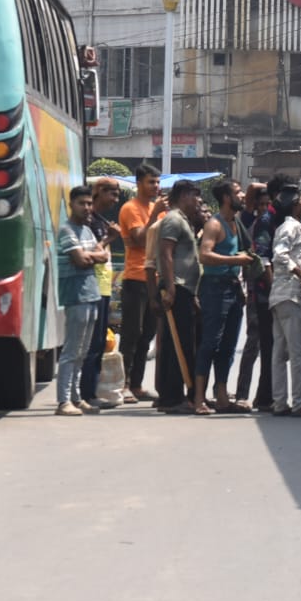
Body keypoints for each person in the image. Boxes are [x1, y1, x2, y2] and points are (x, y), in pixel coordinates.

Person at [195, 180, 253, 413]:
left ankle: (221, 395)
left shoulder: (235, 223)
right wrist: (235, 261)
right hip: (214, 288)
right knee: (210, 343)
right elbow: (204, 255)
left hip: (233, 288)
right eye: (238, 193)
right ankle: (199, 399)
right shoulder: (215, 224)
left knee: (228, 345)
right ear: (227, 198)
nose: (243, 196)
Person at [56, 185, 108, 414]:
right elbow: (79, 260)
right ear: (71, 205)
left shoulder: (86, 230)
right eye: (82, 203)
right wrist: (92, 256)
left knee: (83, 352)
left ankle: (76, 398)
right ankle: (63, 401)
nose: (87, 208)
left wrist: (92, 256)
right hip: (76, 295)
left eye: (89, 203)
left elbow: (102, 255)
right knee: (71, 351)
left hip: (91, 293)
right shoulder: (67, 230)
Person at [117, 165, 167, 403]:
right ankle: (124, 385)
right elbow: (139, 239)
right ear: (138, 183)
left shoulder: (159, 212)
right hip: (135, 279)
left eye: (157, 182)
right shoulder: (131, 208)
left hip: (155, 281)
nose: (155, 187)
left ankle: (136, 384)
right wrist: (156, 211)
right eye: (150, 182)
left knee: (147, 334)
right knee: (131, 334)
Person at [269, 184, 301, 416]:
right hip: (289, 294)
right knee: (296, 352)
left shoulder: (291, 227)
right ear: (294, 204)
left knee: (279, 353)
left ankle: (280, 403)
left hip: (280, 295)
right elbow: (280, 254)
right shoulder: (290, 227)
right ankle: (298, 404)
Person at [155, 180, 204, 414]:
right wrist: (172, 288)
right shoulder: (173, 219)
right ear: (184, 195)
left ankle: (174, 395)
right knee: (176, 345)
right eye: (195, 196)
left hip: (186, 289)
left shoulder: (184, 220)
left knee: (182, 343)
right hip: (177, 288)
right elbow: (165, 254)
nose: (197, 202)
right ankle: (172, 398)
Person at [243, 175, 291, 411]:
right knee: (268, 344)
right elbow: (262, 259)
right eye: (286, 193)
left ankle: (269, 395)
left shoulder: (285, 219)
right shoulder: (266, 219)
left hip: (281, 293)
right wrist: (274, 291)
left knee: (277, 346)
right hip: (267, 295)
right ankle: (264, 397)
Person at [79, 178, 122, 407]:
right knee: (91, 344)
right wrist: (110, 238)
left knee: (98, 344)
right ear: (98, 192)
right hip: (93, 288)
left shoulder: (101, 221)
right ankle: (85, 394)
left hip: (103, 287)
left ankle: (91, 393)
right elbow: (96, 253)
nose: (115, 200)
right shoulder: (89, 222)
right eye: (111, 194)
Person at [234, 182, 269, 404]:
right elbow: (253, 189)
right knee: (253, 343)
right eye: (261, 204)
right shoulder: (247, 220)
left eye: (268, 204)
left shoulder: (272, 223)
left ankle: (263, 395)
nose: (264, 208)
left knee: (269, 346)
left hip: (268, 293)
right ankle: (242, 394)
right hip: (256, 291)